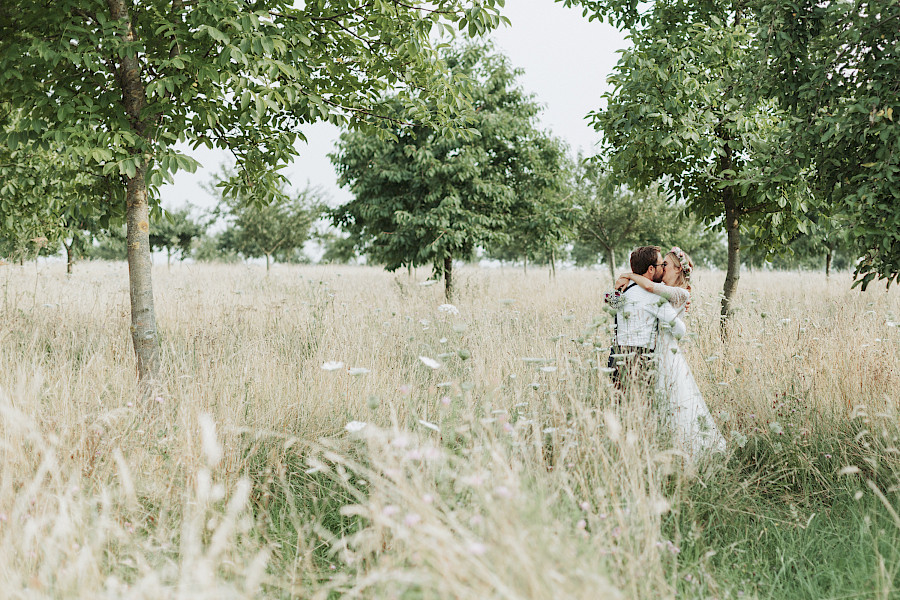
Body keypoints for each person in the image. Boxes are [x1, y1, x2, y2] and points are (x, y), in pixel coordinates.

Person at [616, 247, 726, 459]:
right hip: (654, 351)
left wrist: (629, 276)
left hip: (666, 351)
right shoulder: (657, 289)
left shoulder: (678, 292)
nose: (662, 268)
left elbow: (676, 325)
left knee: (675, 399)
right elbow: (622, 298)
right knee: (661, 401)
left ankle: (682, 450)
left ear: (678, 270)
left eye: (666, 265)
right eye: (661, 264)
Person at [607, 246, 686, 395]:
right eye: (661, 265)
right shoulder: (653, 297)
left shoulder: (623, 289)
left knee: (621, 410)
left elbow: (609, 301)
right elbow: (680, 330)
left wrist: (625, 277)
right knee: (641, 411)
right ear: (651, 269)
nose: (663, 269)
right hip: (639, 359)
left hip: (615, 357)